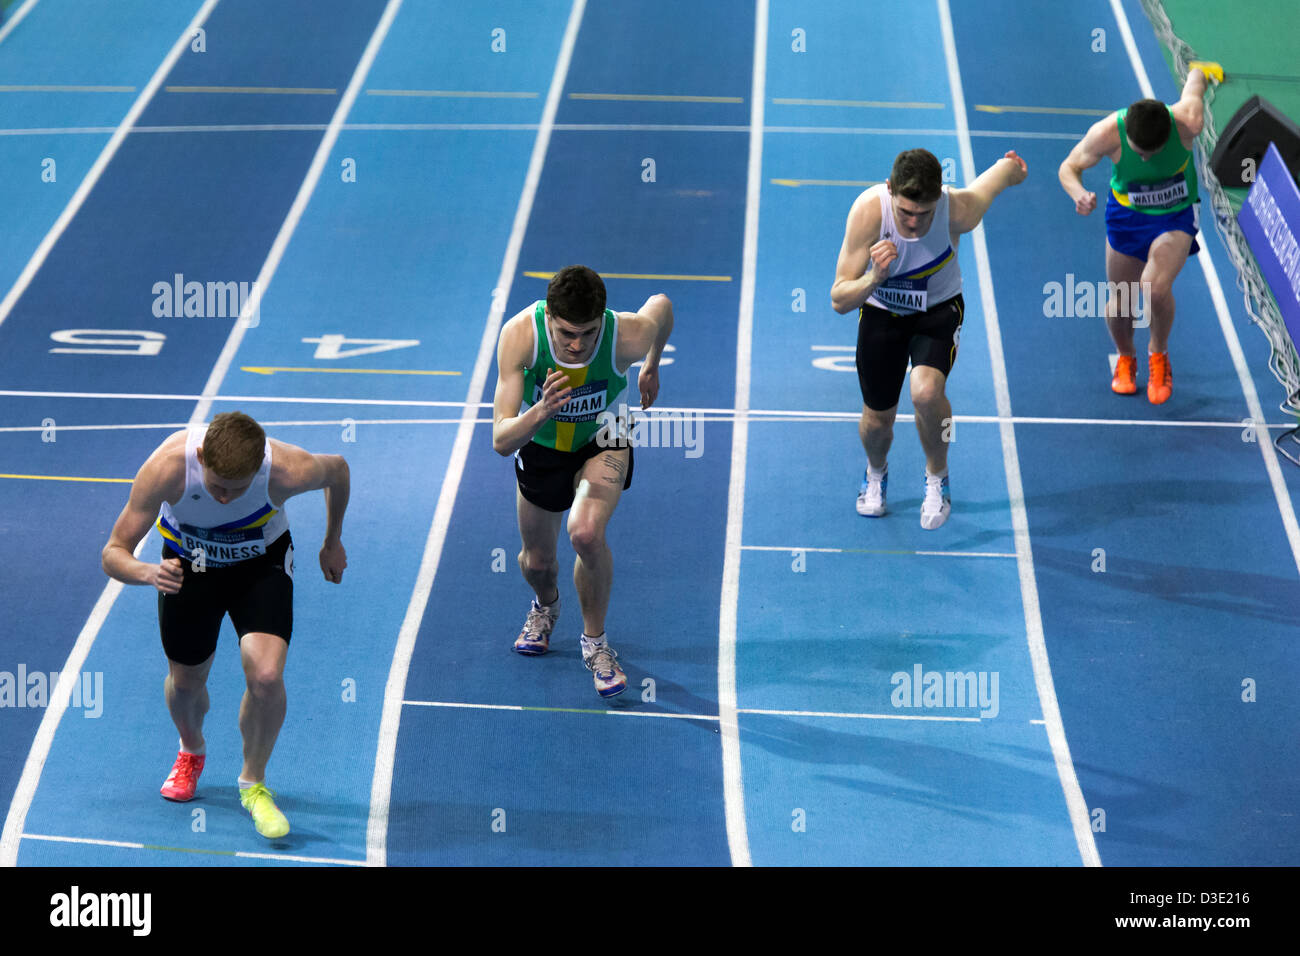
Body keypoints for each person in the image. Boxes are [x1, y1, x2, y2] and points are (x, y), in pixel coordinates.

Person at [101, 411, 349, 839]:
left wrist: (332, 540)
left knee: (267, 676)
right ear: (200, 457)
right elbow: (113, 552)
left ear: (260, 468)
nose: (222, 499)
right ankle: (191, 749)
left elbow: (338, 472)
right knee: (184, 685)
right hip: (187, 569)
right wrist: (147, 573)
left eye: (236, 490)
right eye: (215, 486)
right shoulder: (167, 467)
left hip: (260, 566)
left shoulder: (289, 469)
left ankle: (253, 784)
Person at [492, 265, 672, 698]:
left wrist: (651, 365)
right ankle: (546, 606)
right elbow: (500, 438)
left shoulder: (626, 335)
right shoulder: (521, 336)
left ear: (602, 321)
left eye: (588, 334)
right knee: (537, 564)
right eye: (566, 334)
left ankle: (596, 645)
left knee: (586, 533)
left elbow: (662, 308)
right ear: (549, 318)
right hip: (542, 443)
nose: (576, 345)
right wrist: (540, 411)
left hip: (606, 437)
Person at [831, 147, 1027, 528]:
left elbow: (997, 178)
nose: (915, 223)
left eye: (924, 213)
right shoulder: (869, 211)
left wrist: (1011, 167)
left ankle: (938, 476)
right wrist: (874, 277)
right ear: (890, 190)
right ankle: (875, 473)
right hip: (881, 313)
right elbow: (839, 298)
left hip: (938, 311)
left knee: (926, 393)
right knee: (877, 421)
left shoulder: (959, 210)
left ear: (940, 195)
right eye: (905, 212)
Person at [1058, 61, 1223, 403]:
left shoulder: (1187, 121)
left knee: (1155, 288)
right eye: (1138, 152)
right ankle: (1126, 357)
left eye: (1153, 153)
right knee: (1121, 300)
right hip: (1127, 215)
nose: (1145, 159)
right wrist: (1079, 194)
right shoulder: (1107, 132)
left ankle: (1158, 353)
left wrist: (1199, 72)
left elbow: (1193, 86)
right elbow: (1069, 167)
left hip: (1175, 215)